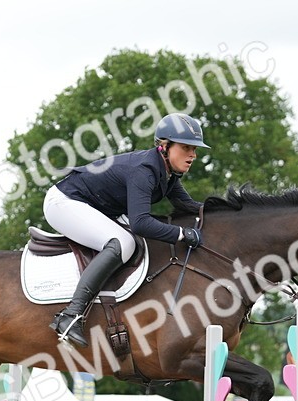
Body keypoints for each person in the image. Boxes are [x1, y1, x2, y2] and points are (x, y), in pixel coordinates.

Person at [45, 113, 208, 347]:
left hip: (93, 205)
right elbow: (140, 222)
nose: (193, 155)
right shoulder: (144, 170)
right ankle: (71, 315)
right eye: (186, 148)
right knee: (123, 242)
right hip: (63, 201)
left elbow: (190, 206)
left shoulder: (168, 174)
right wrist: (182, 234)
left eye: (194, 149)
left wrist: (228, 213)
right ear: (164, 146)